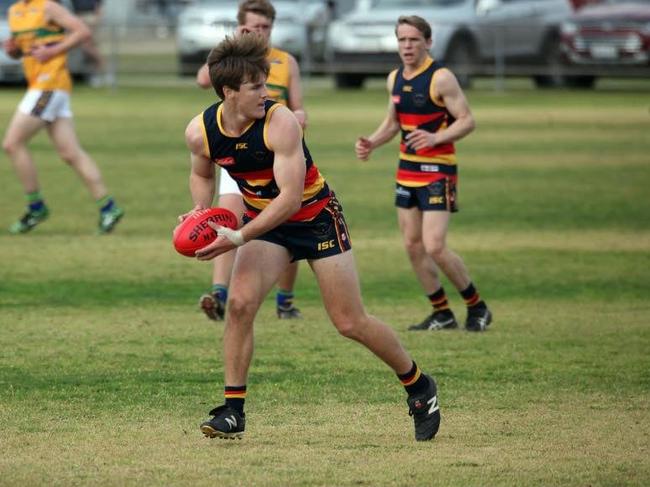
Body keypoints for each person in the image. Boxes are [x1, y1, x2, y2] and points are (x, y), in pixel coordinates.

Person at [181, 33, 441, 442]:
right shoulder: (201, 132)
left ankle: (419, 385)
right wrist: (201, 210)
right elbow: (202, 174)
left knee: (349, 321)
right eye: (255, 88)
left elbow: (288, 199)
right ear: (228, 92)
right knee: (240, 305)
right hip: (267, 226)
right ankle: (232, 410)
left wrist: (238, 236)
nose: (265, 94)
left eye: (265, 84)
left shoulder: (279, 122)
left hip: (315, 217)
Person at [355, 16, 492, 332]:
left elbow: (467, 120)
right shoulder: (395, 79)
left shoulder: (441, 78)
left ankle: (477, 306)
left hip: (438, 172)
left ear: (428, 42)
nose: (407, 46)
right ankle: (442, 312)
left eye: (414, 40)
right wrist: (372, 142)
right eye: (402, 40)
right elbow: (394, 122)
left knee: (434, 246)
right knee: (412, 246)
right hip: (406, 172)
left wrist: (435, 138)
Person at [195, 0, 306, 321]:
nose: (260, 33)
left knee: (288, 220)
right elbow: (205, 80)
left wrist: (299, 116)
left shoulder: (286, 62)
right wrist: (230, 44)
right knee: (226, 218)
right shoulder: (232, 66)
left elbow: (299, 106)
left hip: (278, 152)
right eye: (253, 27)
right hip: (236, 153)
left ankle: (284, 300)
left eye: (265, 28)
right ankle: (219, 293)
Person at [3, 0, 124, 234]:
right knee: (70, 153)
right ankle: (108, 207)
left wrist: (53, 51)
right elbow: (22, 49)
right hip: (40, 85)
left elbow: (82, 31)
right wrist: (13, 50)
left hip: (50, 85)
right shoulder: (14, 11)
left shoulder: (47, 6)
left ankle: (36, 206)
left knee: (12, 143)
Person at [70, 0, 107, 86]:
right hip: (77, 17)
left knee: (88, 47)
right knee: (79, 49)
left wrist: (97, 18)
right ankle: (86, 75)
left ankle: (101, 66)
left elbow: (99, 6)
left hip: (91, 16)